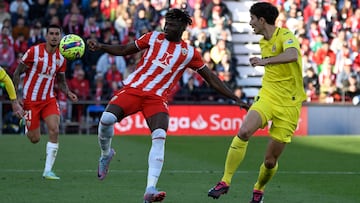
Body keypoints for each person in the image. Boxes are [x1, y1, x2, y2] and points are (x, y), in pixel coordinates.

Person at [86, 8, 249, 203]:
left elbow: (211, 79)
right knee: (106, 120)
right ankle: (106, 154)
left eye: (171, 25)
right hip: (133, 89)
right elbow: (123, 50)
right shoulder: (153, 37)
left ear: (182, 27)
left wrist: (234, 97)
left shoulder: (189, 53)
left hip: (157, 98)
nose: (167, 27)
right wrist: (101, 46)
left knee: (159, 137)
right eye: (166, 23)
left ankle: (150, 189)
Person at [208, 2, 306, 203]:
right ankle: (225, 181)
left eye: (252, 18)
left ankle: (259, 189)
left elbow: (292, 55)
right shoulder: (263, 42)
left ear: (262, 20)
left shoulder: (286, 36)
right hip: (268, 96)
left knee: (270, 162)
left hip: (290, 104)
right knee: (243, 131)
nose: (250, 23)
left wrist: (264, 61)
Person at [12, 24, 78, 180]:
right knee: (35, 139)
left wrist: (68, 92)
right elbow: (17, 73)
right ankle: (26, 125)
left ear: (60, 36)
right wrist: (16, 97)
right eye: (52, 33)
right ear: (46, 35)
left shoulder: (62, 57)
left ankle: (48, 171)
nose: (54, 36)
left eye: (57, 34)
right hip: (31, 100)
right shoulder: (34, 52)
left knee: (54, 129)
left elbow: (61, 80)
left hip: (49, 99)